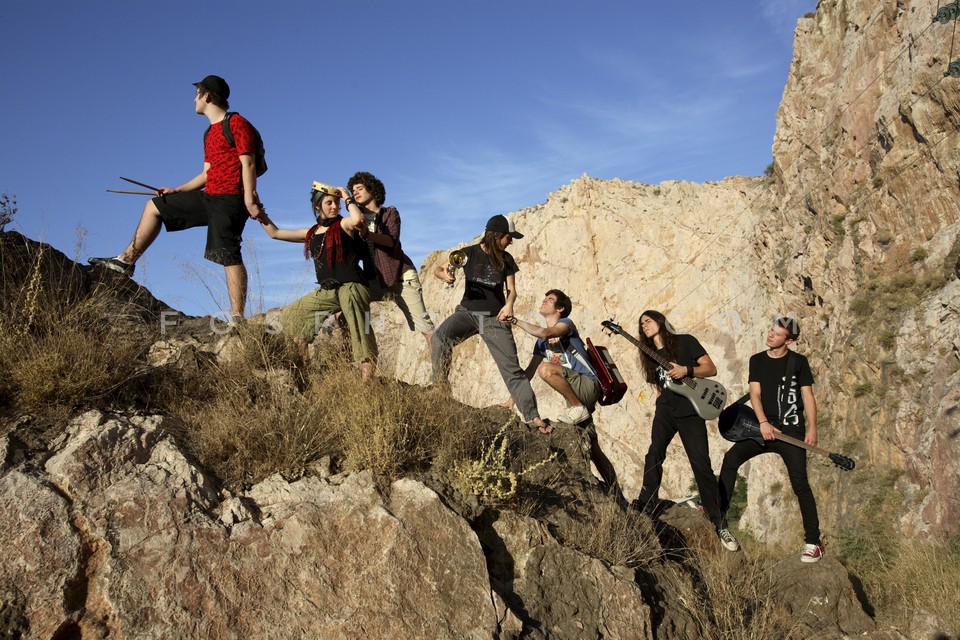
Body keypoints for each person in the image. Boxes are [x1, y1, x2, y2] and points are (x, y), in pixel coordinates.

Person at [90, 75, 263, 322]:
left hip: (230, 199)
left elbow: (248, 163)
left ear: (207, 96)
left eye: (197, 94)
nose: (194, 99)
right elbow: (207, 174)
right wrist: (178, 190)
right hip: (208, 197)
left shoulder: (236, 123)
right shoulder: (208, 133)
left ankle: (237, 317)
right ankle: (126, 261)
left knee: (229, 254)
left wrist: (249, 200)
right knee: (154, 205)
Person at [718, 316, 823, 562]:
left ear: (789, 340)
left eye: (777, 333)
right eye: (771, 330)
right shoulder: (757, 360)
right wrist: (763, 422)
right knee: (731, 460)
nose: (771, 334)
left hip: (791, 431)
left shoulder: (798, 362)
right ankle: (717, 516)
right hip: (762, 428)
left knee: (800, 484)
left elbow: (807, 396)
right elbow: (755, 394)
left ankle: (813, 542)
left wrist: (813, 429)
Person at [432, 215, 548, 431]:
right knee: (440, 337)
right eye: (508, 237)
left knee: (511, 368)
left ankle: (533, 416)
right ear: (496, 236)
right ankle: (439, 387)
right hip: (467, 313)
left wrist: (509, 304)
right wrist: (444, 275)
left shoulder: (507, 259)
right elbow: (438, 269)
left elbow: (512, 290)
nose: (510, 242)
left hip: (495, 319)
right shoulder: (468, 253)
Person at [257, 182, 377, 381]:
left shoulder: (344, 224)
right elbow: (275, 233)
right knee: (294, 314)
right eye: (329, 203)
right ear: (317, 206)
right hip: (327, 290)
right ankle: (306, 372)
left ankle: (367, 381)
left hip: (352, 286)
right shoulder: (311, 232)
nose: (334, 207)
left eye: (336, 203)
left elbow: (357, 219)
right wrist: (259, 213)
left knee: (359, 325)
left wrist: (347, 197)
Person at [632, 310, 731, 548]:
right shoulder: (649, 355)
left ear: (660, 321)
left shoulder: (685, 341)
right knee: (655, 452)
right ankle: (647, 502)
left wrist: (687, 370)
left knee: (701, 465)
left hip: (690, 411)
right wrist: (662, 403)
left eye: (648, 320)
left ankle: (719, 523)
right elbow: (659, 385)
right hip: (666, 410)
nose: (644, 325)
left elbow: (710, 369)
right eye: (641, 324)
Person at [512, 289, 621, 493]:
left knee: (546, 369)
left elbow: (547, 333)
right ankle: (617, 495)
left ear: (560, 308)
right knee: (594, 449)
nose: (544, 301)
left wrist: (515, 321)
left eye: (550, 299)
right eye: (544, 298)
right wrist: (512, 398)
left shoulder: (566, 324)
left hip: (588, 385)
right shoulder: (541, 344)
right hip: (574, 396)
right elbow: (529, 371)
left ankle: (578, 407)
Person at [345, 171, 435, 345]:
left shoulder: (389, 213)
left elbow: (391, 241)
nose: (355, 192)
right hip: (375, 281)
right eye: (353, 190)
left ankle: (440, 362)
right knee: (347, 304)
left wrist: (367, 234)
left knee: (426, 329)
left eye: (360, 188)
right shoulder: (355, 219)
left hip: (401, 277)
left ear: (372, 189)